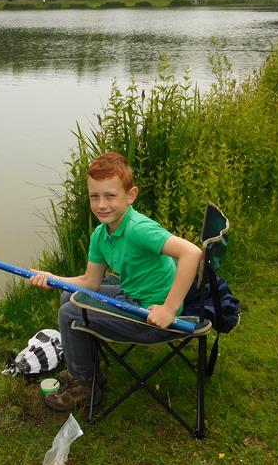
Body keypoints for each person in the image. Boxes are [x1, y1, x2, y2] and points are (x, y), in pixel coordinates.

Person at [29, 152, 202, 411]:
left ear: (131, 195)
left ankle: (85, 384)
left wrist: (168, 309)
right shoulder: (101, 234)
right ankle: (87, 366)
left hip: (153, 316)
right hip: (133, 293)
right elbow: (90, 282)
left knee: (68, 313)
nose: (102, 205)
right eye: (94, 196)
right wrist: (54, 279)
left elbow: (192, 253)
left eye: (110, 196)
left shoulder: (138, 229)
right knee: (68, 295)